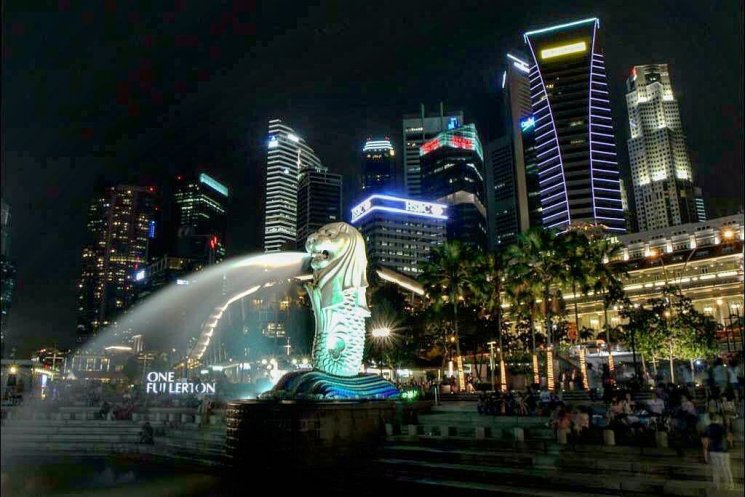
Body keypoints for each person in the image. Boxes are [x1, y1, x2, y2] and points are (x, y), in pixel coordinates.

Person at [701, 414, 734, 490]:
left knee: (715, 469)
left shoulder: (707, 428)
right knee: (726, 468)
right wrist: (730, 443)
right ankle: (730, 485)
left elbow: (704, 441)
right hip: (724, 451)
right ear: (718, 419)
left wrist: (706, 454)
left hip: (713, 451)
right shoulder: (722, 427)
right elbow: (729, 437)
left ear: (710, 419)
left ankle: (716, 485)